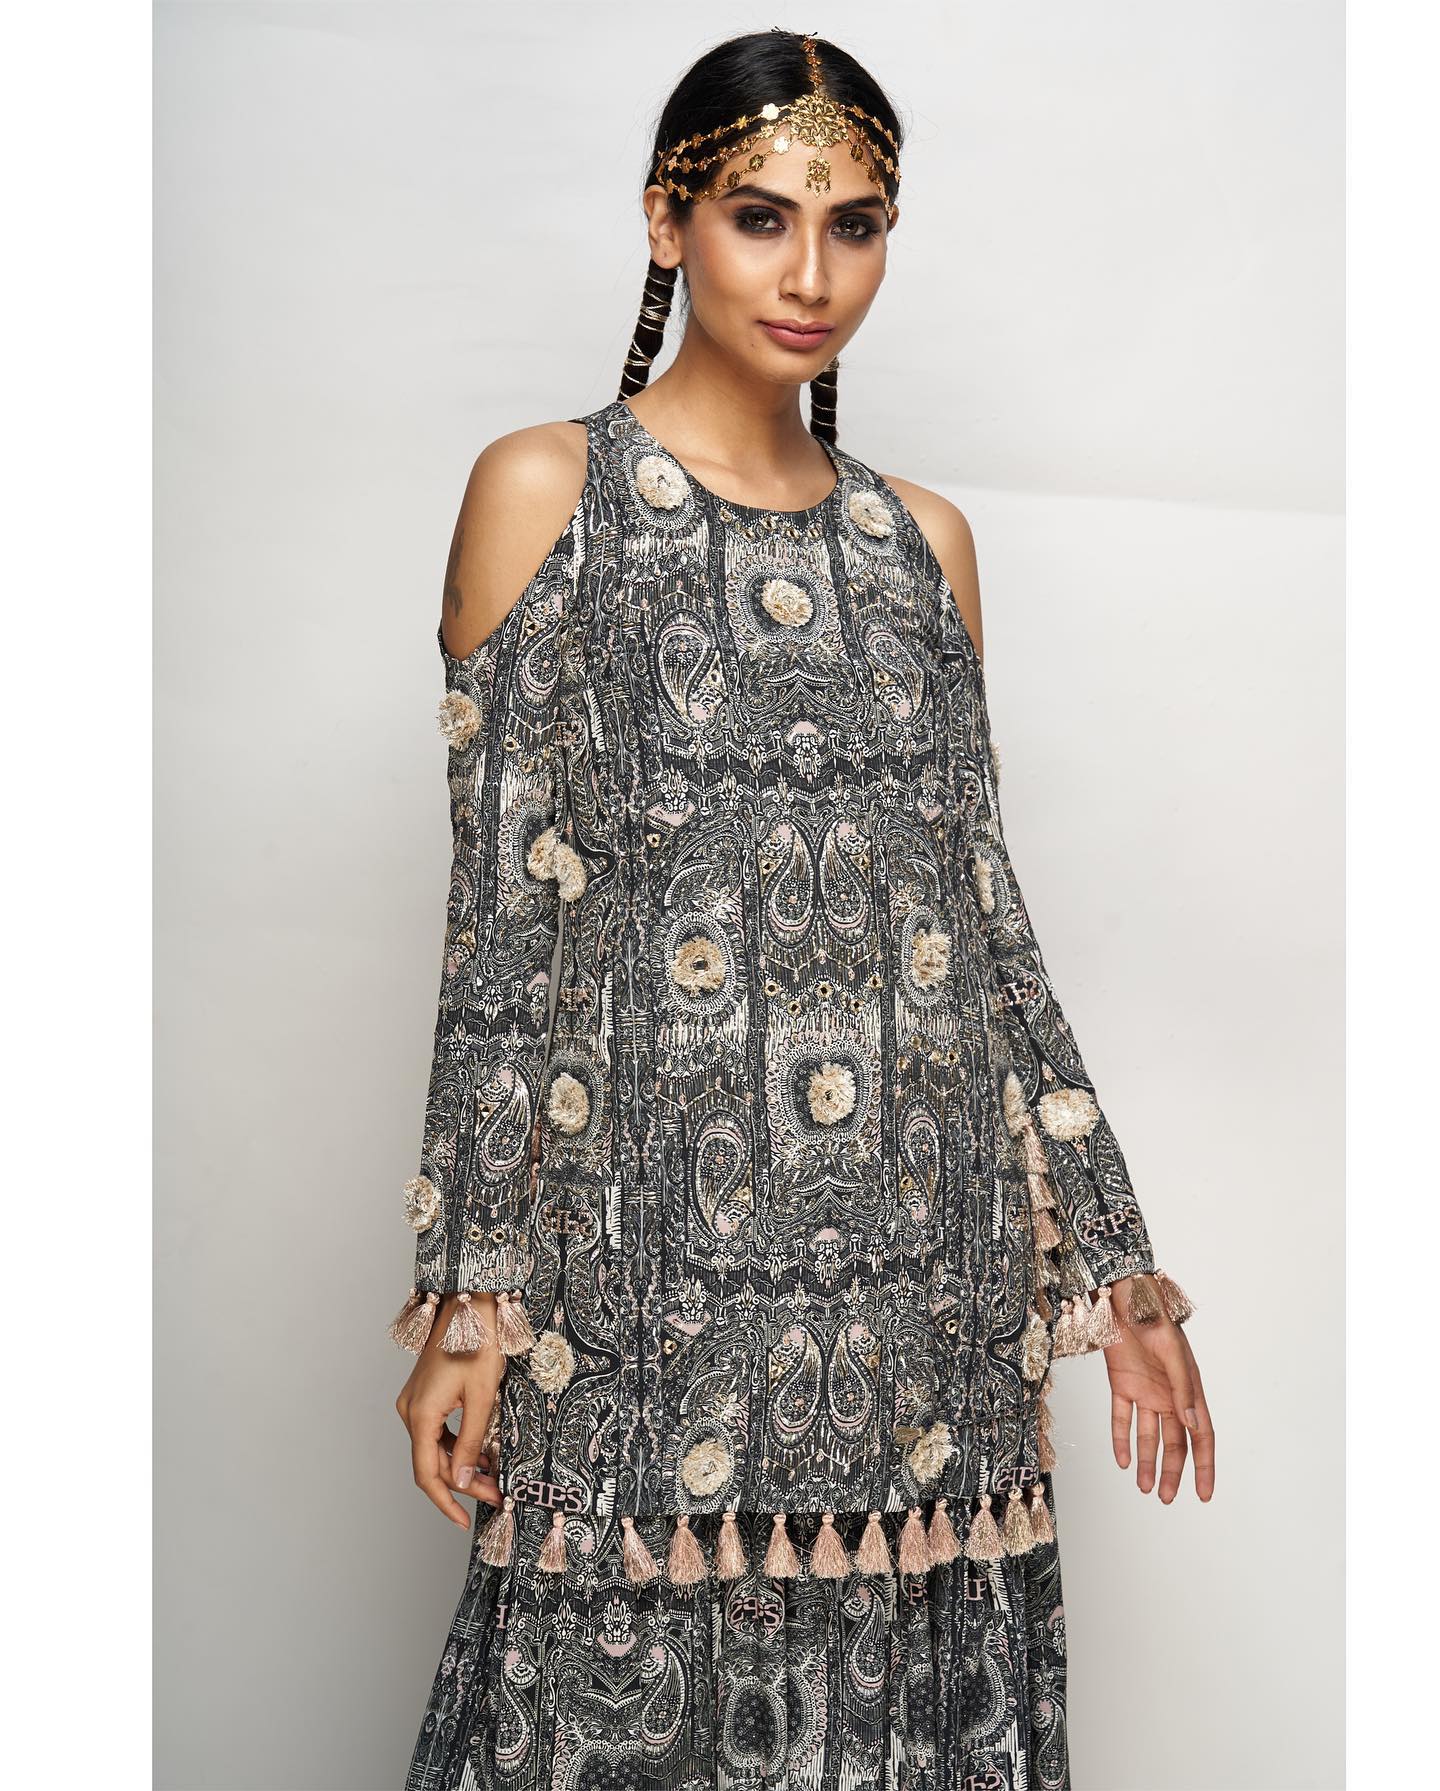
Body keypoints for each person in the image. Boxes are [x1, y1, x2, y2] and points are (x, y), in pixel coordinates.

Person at [389, 29, 1215, 1791]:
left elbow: (985, 926)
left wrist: (1120, 1268)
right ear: (667, 220)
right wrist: (469, 1303)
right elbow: (501, 950)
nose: (811, 275)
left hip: (926, 1312)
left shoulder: (923, 546)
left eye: (855, 227)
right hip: (642, 1299)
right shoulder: (547, 495)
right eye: (762, 218)